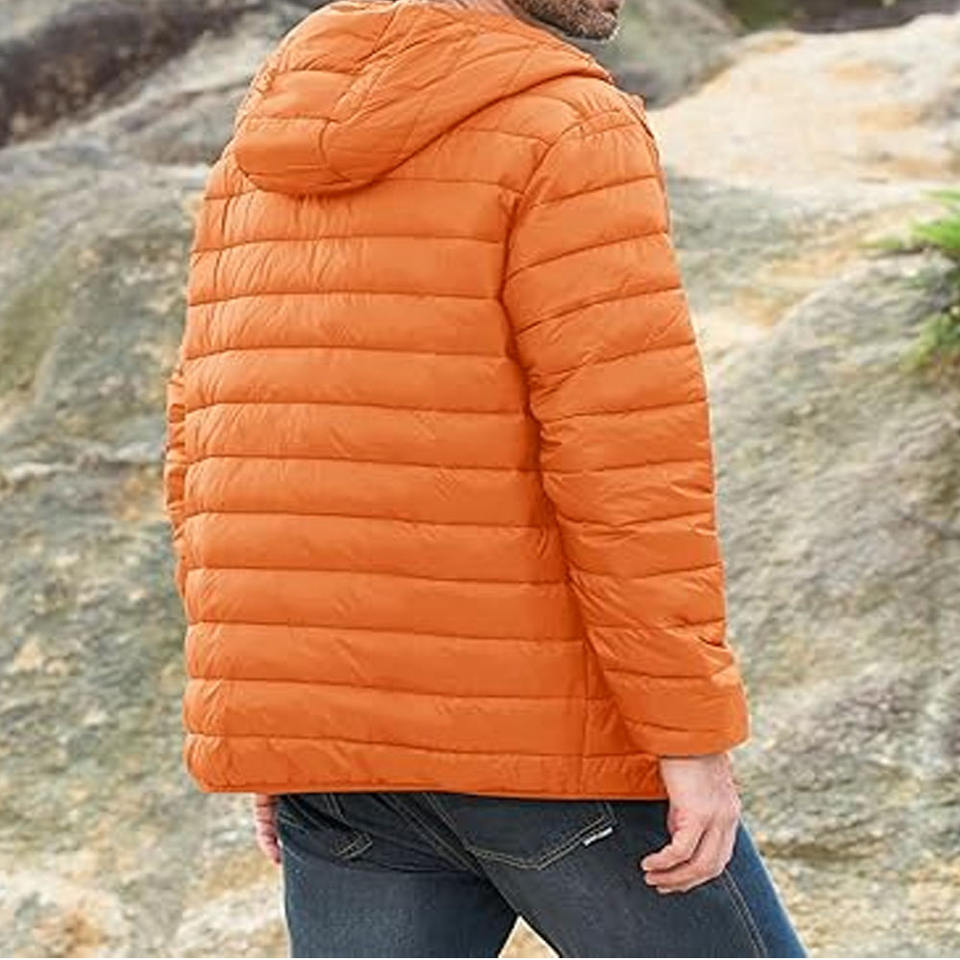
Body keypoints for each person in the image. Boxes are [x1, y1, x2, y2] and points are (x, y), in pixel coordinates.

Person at [162, 0, 809, 955]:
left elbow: (211, 441)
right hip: (554, 751)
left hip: (340, 764)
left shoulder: (258, 147)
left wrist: (286, 725)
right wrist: (688, 736)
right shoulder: (569, 126)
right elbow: (629, 467)